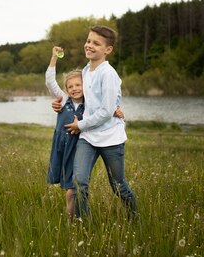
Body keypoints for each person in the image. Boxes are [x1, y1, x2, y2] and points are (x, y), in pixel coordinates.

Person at [53, 25, 138, 219]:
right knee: (79, 182)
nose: (89, 45)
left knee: (118, 186)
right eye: (89, 41)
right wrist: (59, 103)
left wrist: (80, 125)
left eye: (96, 43)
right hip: (89, 138)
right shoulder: (85, 71)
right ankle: (84, 222)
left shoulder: (108, 74)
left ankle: (135, 218)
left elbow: (106, 111)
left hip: (110, 139)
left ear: (107, 50)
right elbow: (80, 97)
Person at [45, 46, 124, 219]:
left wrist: (116, 110)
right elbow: (50, 81)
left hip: (79, 146)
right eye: (70, 86)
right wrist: (53, 58)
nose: (74, 89)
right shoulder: (64, 99)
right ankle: (73, 218)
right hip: (62, 146)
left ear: (85, 86)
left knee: (74, 186)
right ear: (66, 89)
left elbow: (105, 105)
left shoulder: (89, 103)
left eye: (78, 85)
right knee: (69, 187)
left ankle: (75, 218)